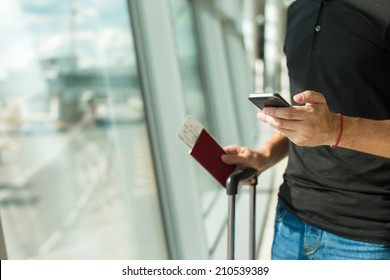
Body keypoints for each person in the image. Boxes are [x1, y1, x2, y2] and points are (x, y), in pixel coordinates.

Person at [222, 0, 390, 260]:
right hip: (290, 220)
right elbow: (311, 118)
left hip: (367, 237)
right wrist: (266, 155)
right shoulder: (299, 10)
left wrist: (335, 129)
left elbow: (326, 125)